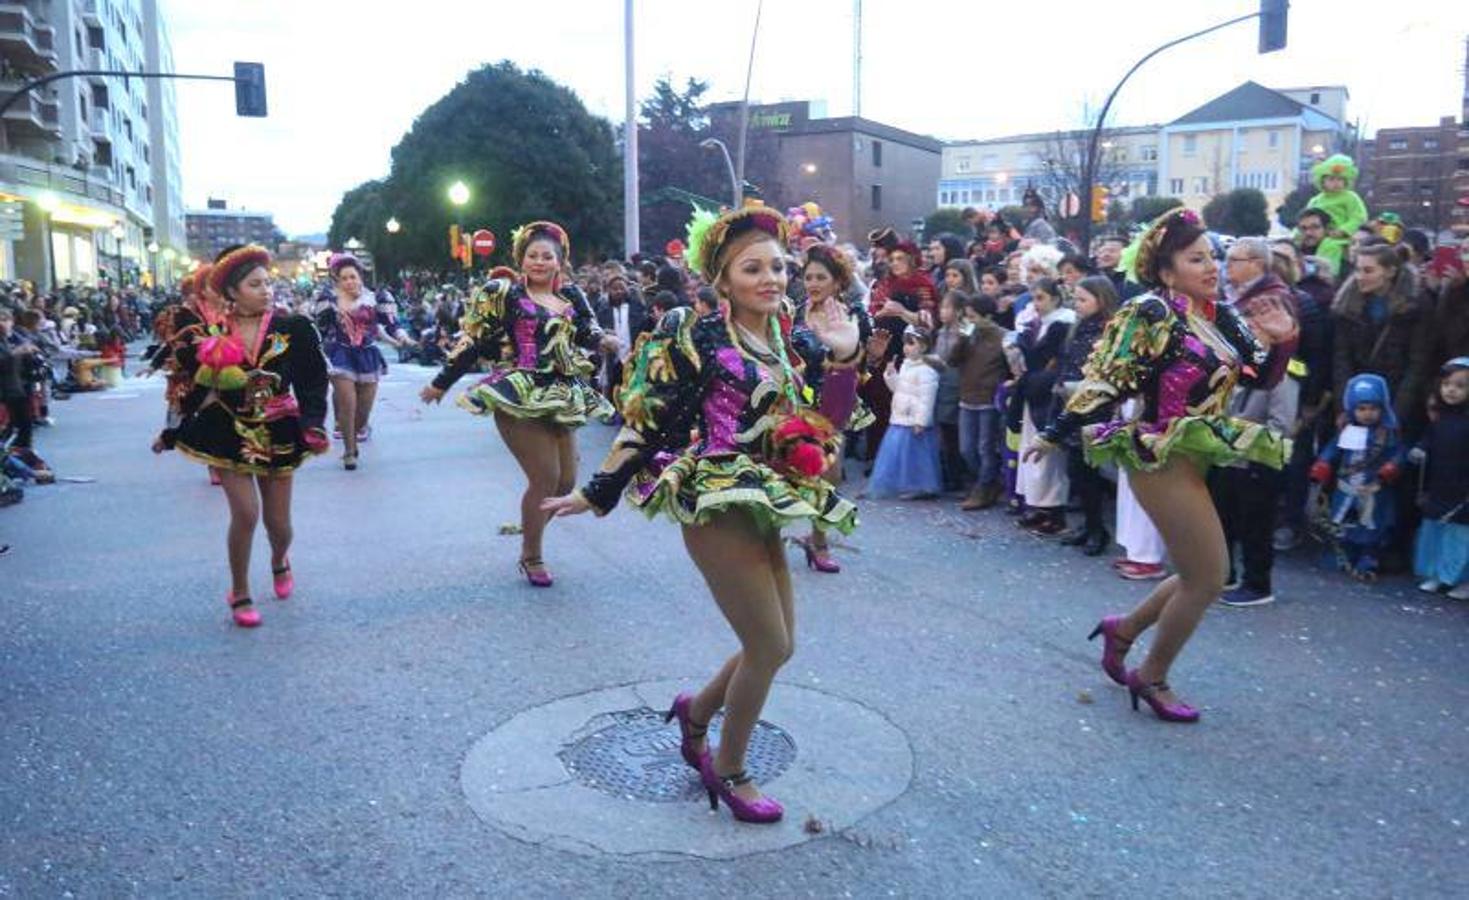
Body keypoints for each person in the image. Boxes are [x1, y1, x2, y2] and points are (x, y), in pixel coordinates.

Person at [542, 207, 859, 824]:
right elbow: (651, 422)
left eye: (778, 267)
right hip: (714, 498)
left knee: (780, 646)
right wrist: (597, 491)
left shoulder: (791, 340)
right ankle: (730, 769)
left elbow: (828, 415)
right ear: (723, 280)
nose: (771, 279)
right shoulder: (699, 337)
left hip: (764, 496)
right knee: (767, 645)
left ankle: (697, 711)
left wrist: (842, 357)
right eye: (752, 268)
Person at [1026, 208, 1285, 723]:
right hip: (1158, 453)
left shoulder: (1218, 313)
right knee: (1209, 578)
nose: (1211, 267)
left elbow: (1258, 373)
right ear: (1166, 271)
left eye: (1212, 256)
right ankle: (1151, 675)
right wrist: (1056, 432)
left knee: (1198, 571)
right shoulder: (1150, 311)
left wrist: (1278, 341)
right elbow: (1109, 379)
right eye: (1196, 259)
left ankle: (1122, 631)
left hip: (1201, 449)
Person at [420, 221, 618, 587]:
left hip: (561, 391)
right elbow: (474, 341)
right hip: (518, 391)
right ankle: (532, 555)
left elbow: (587, 329)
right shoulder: (505, 294)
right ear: (521, 260)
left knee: (566, 483)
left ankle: (530, 530)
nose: (539, 262)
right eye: (532, 255)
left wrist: (602, 339)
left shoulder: (571, 294)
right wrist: (441, 382)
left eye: (547, 256)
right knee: (545, 478)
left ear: (560, 262)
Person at [164, 245, 330, 627]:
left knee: (279, 525)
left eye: (268, 283)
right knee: (245, 513)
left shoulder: (293, 328)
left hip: (279, 428)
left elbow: (313, 379)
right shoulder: (213, 334)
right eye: (255, 285)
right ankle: (239, 591)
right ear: (232, 292)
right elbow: (198, 389)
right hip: (228, 429)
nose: (266, 290)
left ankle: (279, 559)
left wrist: (314, 422)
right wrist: (172, 432)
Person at [791, 243, 872, 573]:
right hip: (795, 401)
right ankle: (767, 539)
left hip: (835, 399)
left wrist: (846, 347)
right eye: (808, 277)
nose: (812, 283)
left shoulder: (852, 314)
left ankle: (818, 539)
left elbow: (859, 358)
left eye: (820, 277)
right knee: (787, 472)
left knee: (830, 474)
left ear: (837, 281)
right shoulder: (794, 312)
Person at [316, 254, 415, 471]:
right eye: (344, 278)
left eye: (353, 277)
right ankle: (349, 451)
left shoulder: (376, 298)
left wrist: (403, 337)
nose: (349, 281)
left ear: (360, 277)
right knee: (347, 405)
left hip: (368, 356)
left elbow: (391, 324)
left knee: (362, 413)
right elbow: (320, 329)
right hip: (340, 355)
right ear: (338, 280)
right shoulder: (329, 300)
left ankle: (357, 432)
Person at [1330, 242, 1433, 433]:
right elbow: (1341, 360)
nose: (1360, 277)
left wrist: (1396, 414)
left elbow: (1417, 364)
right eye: (1357, 270)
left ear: (1390, 272)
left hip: (1398, 396)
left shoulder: (1415, 305)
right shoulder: (1346, 305)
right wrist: (1345, 406)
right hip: (1360, 399)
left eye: (1368, 270)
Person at [1310, 374, 1403, 581]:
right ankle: (1342, 554)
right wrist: (1323, 464)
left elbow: (1398, 454)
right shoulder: (1347, 431)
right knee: (1341, 523)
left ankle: (1368, 558)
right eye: (1362, 409)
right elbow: (1332, 449)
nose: (1368, 414)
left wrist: (1391, 467)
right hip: (1346, 489)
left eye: (1373, 408)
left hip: (1373, 490)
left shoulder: (1385, 434)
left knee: (1371, 526)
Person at [1054, 277, 1118, 554]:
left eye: (1083, 299)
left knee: (1089, 472)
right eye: (1075, 299)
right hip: (1071, 400)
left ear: (1101, 300)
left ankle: (1097, 530)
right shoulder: (1079, 327)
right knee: (1076, 471)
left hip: (1095, 407)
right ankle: (1088, 525)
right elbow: (1068, 360)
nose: (1077, 305)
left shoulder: (1110, 330)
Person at [1014, 278, 1074, 534]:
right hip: (1032, 389)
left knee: (1049, 455)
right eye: (1033, 298)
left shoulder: (1063, 324)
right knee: (1030, 448)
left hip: (1048, 393)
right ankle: (1036, 505)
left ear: (1055, 299)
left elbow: (1052, 359)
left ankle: (1054, 510)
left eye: (1041, 298)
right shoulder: (1036, 323)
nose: (1036, 304)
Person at [1410, 357, 1469, 599]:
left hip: (1463, 487)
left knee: (1460, 535)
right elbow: (1430, 438)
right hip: (1439, 484)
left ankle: (1461, 579)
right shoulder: (1440, 417)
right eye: (1446, 384)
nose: (1451, 390)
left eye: (1460, 386)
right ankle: (1436, 574)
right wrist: (1420, 449)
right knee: (1435, 530)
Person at [867, 326, 942, 499]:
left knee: (915, 456)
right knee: (900, 455)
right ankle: (905, 484)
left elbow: (927, 398)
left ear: (923, 346)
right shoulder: (907, 365)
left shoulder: (927, 370)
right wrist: (890, 375)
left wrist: (921, 421)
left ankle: (919, 486)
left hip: (914, 420)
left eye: (911, 344)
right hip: (900, 416)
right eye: (905, 344)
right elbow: (898, 389)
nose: (906, 348)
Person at [950, 294, 1008, 510]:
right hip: (967, 397)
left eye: (973, 317)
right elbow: (952, 360)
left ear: (988, 316)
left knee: (986, 447)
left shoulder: (1003, 337)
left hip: (988, 399)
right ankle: (987, 481)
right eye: (967, 317)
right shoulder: (969, 336)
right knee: (966, 449)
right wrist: (962, 339)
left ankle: (984, 488)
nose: (969, 321)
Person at [1303, 155, 1368, 279]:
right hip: (1315, 235)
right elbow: (1305, 218)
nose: (1336, 183)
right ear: (1323, 181)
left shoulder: (1350, 197)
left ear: (1346, 181)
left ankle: (1328, 274)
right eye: (1331, 179)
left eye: (1340, 179)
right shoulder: (1316, 200)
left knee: (1330, 246)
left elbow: (1359, 217)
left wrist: (1343, 230)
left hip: (1339, 238)